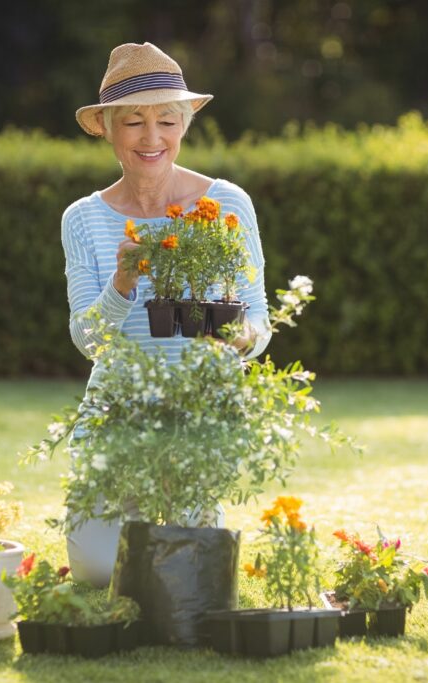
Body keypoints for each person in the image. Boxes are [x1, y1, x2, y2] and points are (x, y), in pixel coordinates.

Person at [60, 42, 272, 587]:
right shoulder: (83, 219)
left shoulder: (227, 204)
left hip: (196, 414)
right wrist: (123, 284)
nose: (151, 138)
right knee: (96, 571)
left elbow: (258, 319)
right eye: (133, 122)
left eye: (167, 120)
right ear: (107, 127)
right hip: (118, 414)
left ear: (184, 124)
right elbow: (88, 338)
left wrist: (236, 338)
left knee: (190, 575)